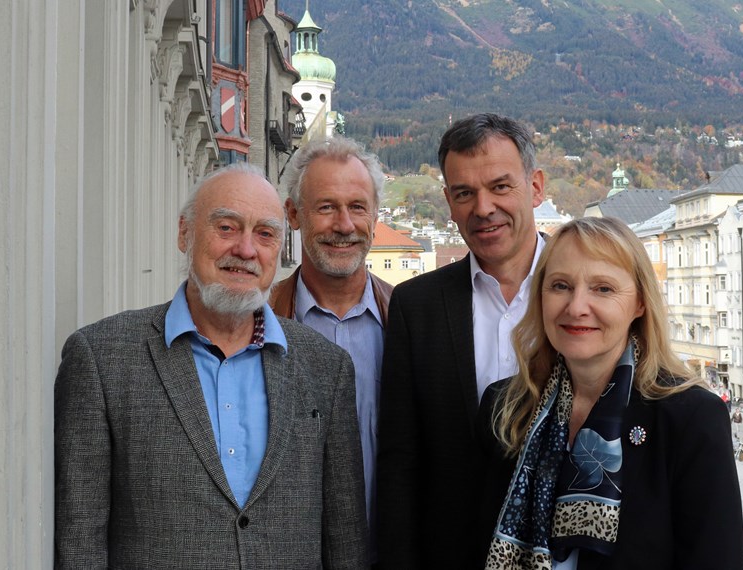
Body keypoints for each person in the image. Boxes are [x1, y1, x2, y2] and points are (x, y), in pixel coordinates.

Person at [54, 164, 368, 568]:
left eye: (265, 234)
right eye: (226, 227)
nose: (246, 250)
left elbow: (344, 542)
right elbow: (81, 542)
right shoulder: (102, 359)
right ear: (185, 233)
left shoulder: (326, 367)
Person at [475, 217, 743, 568]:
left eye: (603, 289)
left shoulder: (690, 418)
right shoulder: (505, 407)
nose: (576, 307)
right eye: (560, 285)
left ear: (639, 304)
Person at [377, 113, 547, 569]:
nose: (483, 207)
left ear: (535, 187)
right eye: (464, 193)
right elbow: (400, 462)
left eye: (500, 186)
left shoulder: (586, 294)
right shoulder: (417, 306)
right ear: (448, 202)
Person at [270, 136, 393, 564]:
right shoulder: (259, 323)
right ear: (293, 214)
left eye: (357, 207)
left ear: (375, 216)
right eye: (326, 207)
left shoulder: (411, 323)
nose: (344, 225)